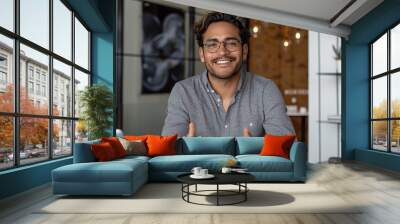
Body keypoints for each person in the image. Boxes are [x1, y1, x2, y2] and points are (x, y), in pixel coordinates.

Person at [161, 12, 295, 137]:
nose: (222, 52)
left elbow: (286, 149)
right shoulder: (183, 92)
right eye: (213, 45)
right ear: (202, 54)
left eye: (231, 43)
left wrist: (257, 153)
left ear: (244, 51)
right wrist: (183, 150)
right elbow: (169, 149)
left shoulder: (265, 90)